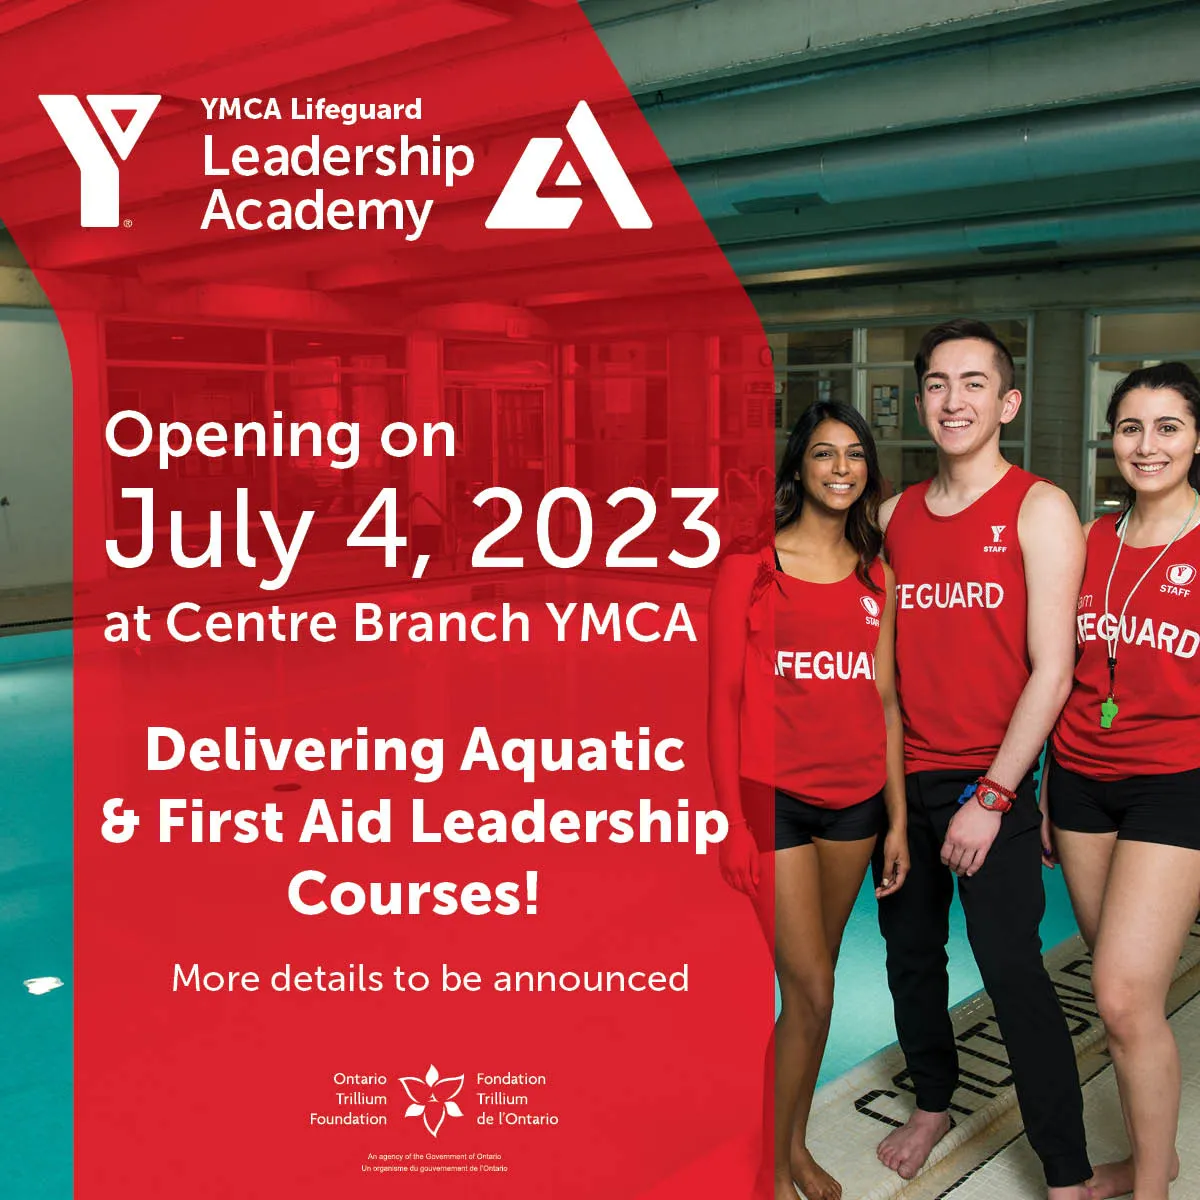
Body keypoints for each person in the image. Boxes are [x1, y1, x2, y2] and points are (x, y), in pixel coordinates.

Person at [874, 318, 1100, 1199]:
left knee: (1012, 973)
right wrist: (891, 802)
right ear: (922, 399)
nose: (952, 399)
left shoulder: (1039, 508)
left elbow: (1056, 669)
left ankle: (1068, 1173)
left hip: (989, 782)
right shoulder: (893, 518)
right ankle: (933, 1100)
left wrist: (996, 795)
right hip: (906, 783)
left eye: (973, 383)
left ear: (1006, 402)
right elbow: (880, 671)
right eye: (936, 383)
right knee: (909, 955)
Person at [709, 401, 909, 1200]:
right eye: (824, 453)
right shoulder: (749, 567)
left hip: (856, 800)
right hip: (775, 802)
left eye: (854, 454)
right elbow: (721, 704)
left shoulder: (877, 573)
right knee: (814, 987)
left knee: (810, 987)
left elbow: (887, 700)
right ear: (798, 467)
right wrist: (727, 822)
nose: (840, 468)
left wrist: (895, 817)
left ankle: (790, 1146)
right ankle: (765, 1168)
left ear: (867, 470)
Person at [1045, 361, 1200, 1200]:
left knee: (1124, 992)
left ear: (1197, 439)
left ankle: (1154, 1193)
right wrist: (1042, 786)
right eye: (1132, 428)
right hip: (1077, 780)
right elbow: (1066, 669)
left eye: (1168, 427)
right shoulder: (1092, 537)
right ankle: (1156, 1160)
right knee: (1117, 1004)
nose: (1147, 445)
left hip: (1174, 783)